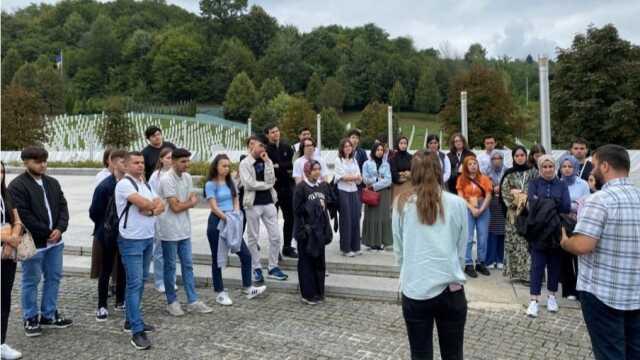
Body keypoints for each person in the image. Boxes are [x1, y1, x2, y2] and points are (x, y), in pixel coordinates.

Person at [561, 144, 640, 360]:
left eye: (594, 165)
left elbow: (583, 246)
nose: (591, 170)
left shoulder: (599, 200)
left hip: (603, 294)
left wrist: (565, 241)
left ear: (605, 166)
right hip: (635, 293)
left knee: (610, 354)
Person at [393, 150, 468, 360]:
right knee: (453, 355)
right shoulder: (458, 204)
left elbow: (399, 251)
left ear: (412, 173)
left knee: (420, 354)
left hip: (416, 287)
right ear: (440, 170)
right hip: (451, 288)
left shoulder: (401, 204)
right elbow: (462, 248)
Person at [8, 147, 73, 338]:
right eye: (37, 161)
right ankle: (30, 317)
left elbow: (63, 207)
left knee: (54, 278)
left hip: (56, 242)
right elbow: (23, 215)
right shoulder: (17, 186)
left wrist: (60, 229)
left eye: (44, 160)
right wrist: (47, 232)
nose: (43, 164)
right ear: (26, 162)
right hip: (34, 243)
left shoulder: (52, 182)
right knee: (31, 280)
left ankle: (48, 314)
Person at [115, 151, 165, 350]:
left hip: (146, 238)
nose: (140, 165)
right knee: (135, 283)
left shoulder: (145, 184)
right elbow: (144, 203)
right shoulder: (124, 184)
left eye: (142, 162)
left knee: (140, 281)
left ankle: (131, 320)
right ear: (126, 166)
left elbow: (160, 204)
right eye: (136, 163)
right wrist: (150, 207)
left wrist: (150, 209)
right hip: (131, 240)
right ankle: (136, 330)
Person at [156, 148, 213, 316]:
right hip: (169, 230)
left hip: (184, 229)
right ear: (173, 162)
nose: (187, 164)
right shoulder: (167, 179)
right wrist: (188, 203)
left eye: (188, 161)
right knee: (170, 267)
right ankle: (172, 301)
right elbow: (176, 206)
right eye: (183, 161)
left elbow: (188, 201)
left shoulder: (187, 177)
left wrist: (185, 203)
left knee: (188, 265)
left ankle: (192, 300)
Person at [205, 154, 267, 306]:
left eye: (228, 166)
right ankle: (219, 292)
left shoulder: (230, 181)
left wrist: (236, 215)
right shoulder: (210, 184)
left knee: (245, 255)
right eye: (223, 166)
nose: (226, 169)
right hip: (217, 222)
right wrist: (227, 218)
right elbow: (213, 206)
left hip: (232, 220)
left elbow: (235, 199)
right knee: (217, 258)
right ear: (216, 166)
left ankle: (248, 287)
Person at [525, 155, 571, 318]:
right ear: (539, 168)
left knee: (554, 265)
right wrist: (552, 203)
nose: (548, 169)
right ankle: (534, 300)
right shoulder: (534, 183)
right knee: (537, 266)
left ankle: (552, 296)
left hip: (556, 230)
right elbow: (532, 204)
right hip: (538, 230)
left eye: (550, 166)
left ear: (555, 167)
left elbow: (566, 205)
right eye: (544, 167)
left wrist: (543, 202)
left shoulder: (562, 184)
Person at [239, 138, 289, 282]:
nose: (262, 149)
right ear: (252, 146)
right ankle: (256, 268)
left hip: (268, 202)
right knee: (253, 237)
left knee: (275, 236)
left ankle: (273, 267)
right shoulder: (245, 163)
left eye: (264, 146)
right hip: (253, 203)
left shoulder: (267, 160)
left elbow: (272, 180)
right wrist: (266, 185)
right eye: (260, 145)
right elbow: (248, 184)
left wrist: (268, 162)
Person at [89, 149, 127, 321]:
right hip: (106, 234)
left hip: (125, 234)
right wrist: (106, 226)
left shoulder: (130, 184)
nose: (125, 165)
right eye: (121, 162)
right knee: (105, 270)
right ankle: (102, 306)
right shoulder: (105, 186)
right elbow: (94, 211)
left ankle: (120, 300)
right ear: (112, 162)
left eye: (127, 162)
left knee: (122, 268)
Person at [293, 160, 333, 305]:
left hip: (319, 231)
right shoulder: (300, 188)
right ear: (307, 171)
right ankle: (308, 294)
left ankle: (319, 292)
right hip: (306, 232)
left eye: (319, 169)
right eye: (314, 169)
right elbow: (297, 210)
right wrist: (315, 205)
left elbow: (329, 202)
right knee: (306, 264)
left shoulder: (321, 186)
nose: (317, 171)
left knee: (319, 262)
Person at [500, 146, 537, 282]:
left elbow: (537, 189)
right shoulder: (509, 173)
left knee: (527, 244)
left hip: (529, 212)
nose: (520, 158)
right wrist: (516, 201)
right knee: (514, 243)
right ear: (513, 157)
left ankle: (528, 275)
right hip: (513, 214)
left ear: (526, 156)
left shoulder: (533, 172)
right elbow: (504, 192)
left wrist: (525, 198)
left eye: (522, 155)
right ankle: (514, 273)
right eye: (517, 156)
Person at [558, 154, 591, 301]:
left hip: (579, 224)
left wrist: (571, 205)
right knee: (565, 257)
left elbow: (586, 203)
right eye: (564, 166)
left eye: (570, 166)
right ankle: (568, 290)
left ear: (575, 168)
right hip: (563, 225)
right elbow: (558, 204)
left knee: (578, 257)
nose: (567, 169)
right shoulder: (558, 183)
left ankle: (580, 290)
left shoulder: (583, 184)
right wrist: (573, 204)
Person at [1, 161, 24, 360]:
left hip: (7, 255)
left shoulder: (6, 194)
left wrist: (13, 240)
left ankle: (1, 342)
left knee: (4, 298)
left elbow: (17, 220)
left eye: (1, 171)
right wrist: (8, 238)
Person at [264, 125, 298, 258]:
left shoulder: (286, 147)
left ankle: (287, 246)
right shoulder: (265, 149)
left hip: (287, 188)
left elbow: (292, 164)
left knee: (290, 217)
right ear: (267, 135)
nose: (275, 134)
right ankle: (275, 249)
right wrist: (281, 167)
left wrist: (278, 166)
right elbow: (268, 166)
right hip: (273, 189)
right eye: (272, 132)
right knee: (273, 220)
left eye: (277, 131)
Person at [456, 155, 493, 278]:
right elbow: (460, 196)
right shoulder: (461, 179)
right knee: (468, 237)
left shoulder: (485, 178)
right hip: (467, 207)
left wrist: (481, 209)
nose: (473, 166)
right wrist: (471, 208)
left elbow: (488, 195)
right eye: (470, 164)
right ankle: (468, 263)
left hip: (483, 206)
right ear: (466, 166)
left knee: (483, 236)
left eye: (475, 164)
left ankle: (481, 262)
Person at [147, 148, 174, 292]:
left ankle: (171, 279)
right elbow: (152, 195)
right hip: (160, 215)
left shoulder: (177, 175)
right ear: (162, 159)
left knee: (171, 250)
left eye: (172, 157)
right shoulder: (155, 177)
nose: (170, 160)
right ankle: (159, 281)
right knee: (158, 250)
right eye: (168, 157)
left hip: (174, 215)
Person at [333, 139, 363, 257]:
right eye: (345, 146)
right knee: (346, 219)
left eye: (349, 146)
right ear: (342, 148)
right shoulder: (338, 160)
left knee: (355, 217)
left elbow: (360, 178)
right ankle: (345, 248)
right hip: (343, 191)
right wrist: (354, 177)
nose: (348, 148)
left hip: (354, 191)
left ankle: (355, 247)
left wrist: (355, 177)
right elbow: (341, 177)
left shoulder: (354, 160)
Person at [362, 143, 393, 250]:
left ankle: (383, 241)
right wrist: (378, 179)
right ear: (374, 151)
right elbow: (365, 179)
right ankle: (371, 242)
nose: (380, 151)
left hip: (383, 194)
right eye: (378, 149)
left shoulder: (386, 164)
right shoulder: (366, 163)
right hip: (371, 194)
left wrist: (374, 184)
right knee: (372, 216)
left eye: (381, 150)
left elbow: (388, 180)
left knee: (383, 216)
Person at [485, 150, 507, 270]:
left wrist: (501, 188)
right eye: (494, 158)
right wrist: (493, 188)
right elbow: (483, 187)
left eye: (499, 158)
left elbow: (511, 185)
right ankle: (490, 259)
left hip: (503, 204)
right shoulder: (486, 171)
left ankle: (500, 259)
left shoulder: (507, 170)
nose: (497, 160)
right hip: (491, 203)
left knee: (502, 233)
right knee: (491, 233)